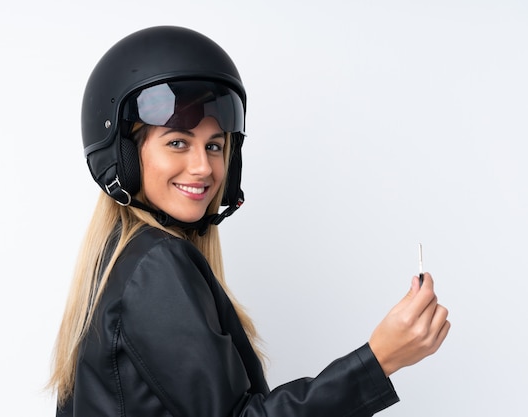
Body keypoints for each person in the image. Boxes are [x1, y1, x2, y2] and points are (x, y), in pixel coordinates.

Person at [48, 25, 450, 417]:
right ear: (125, 158)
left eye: (215, 145)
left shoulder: (119, 261)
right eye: (177, 142)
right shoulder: (155, 265)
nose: (203, 167)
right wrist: (379, 360)